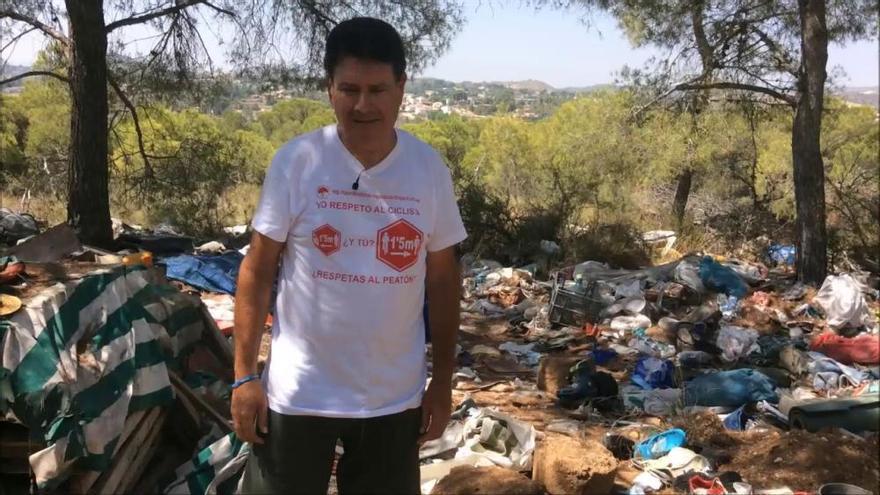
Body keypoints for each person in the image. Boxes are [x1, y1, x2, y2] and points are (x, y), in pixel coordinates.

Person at [231, 17, 467, 494]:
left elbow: (443, 280)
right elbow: (257, 271)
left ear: (401, 87)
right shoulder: (297, 162)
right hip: (298, 397)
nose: (363, 105)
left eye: (378, 89)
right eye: (349, 89)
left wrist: (441, 382)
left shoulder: (428, 170)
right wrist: (244, 378)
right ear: (329, 89)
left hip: (392, 399)